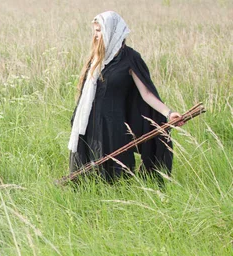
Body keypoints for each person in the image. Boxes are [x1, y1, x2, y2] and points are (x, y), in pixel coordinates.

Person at [68, 11, 183, 182]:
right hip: (89, 125)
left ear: (112, 31)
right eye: (95, 30)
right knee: (87, 175)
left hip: (114, 127)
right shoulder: (97, 57)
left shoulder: (130, 58)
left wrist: (168, 113)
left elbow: (147, 93)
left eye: (99, 30)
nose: (95, 35)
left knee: (116, 177)